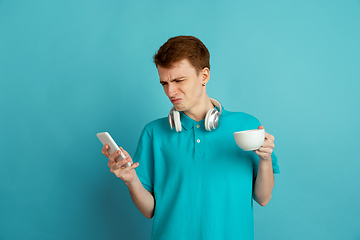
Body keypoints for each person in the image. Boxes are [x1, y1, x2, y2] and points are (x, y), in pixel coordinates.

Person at [101, 35, 280, 240]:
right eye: (164, 83)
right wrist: (131, 180)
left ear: (204, 76)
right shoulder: (154, 133)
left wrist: (265, 159)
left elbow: (263, 198)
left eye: (179, 80)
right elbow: (149, 210)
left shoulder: (246, 126)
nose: (170, 91)